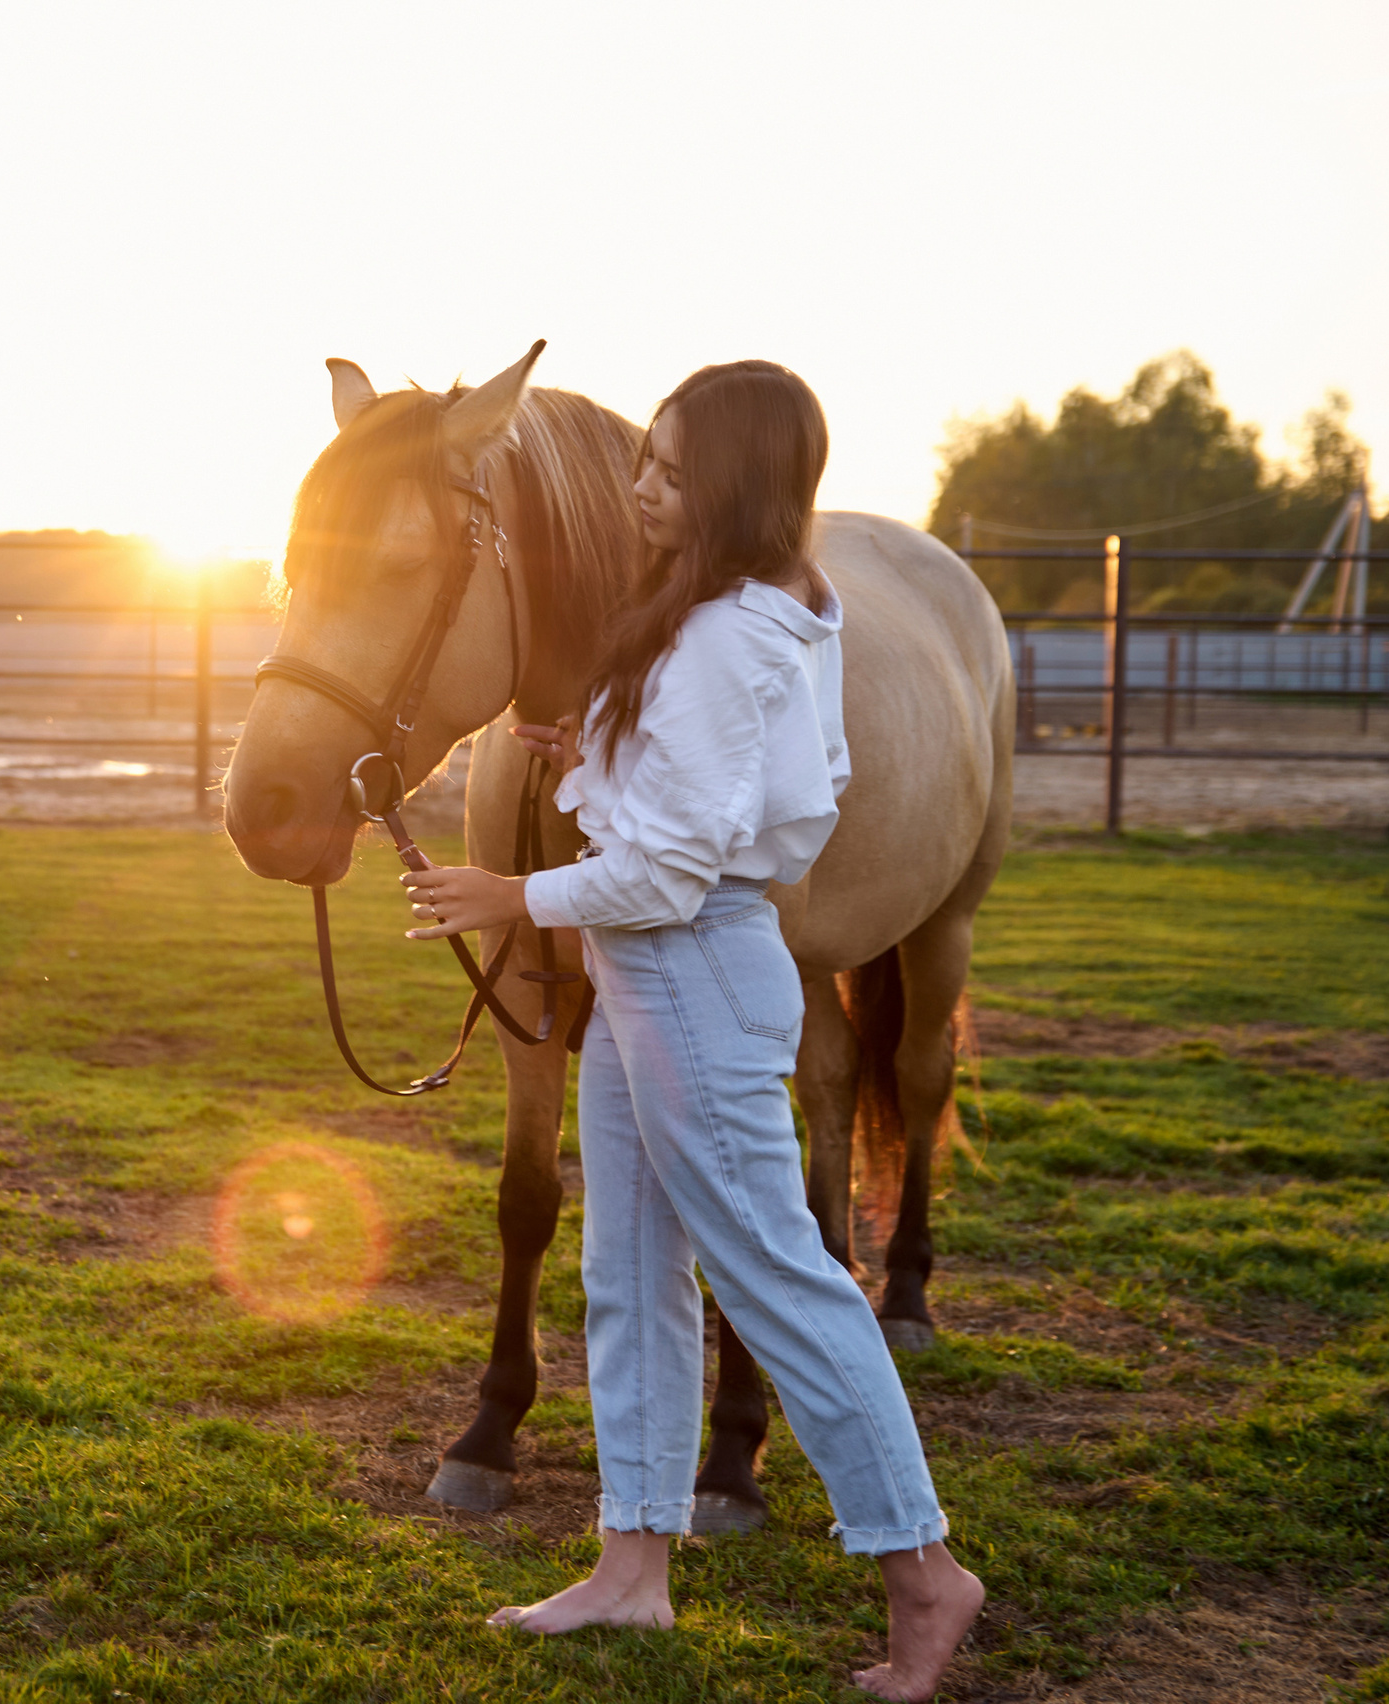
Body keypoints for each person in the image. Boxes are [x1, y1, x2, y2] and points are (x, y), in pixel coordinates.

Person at [397, 360, 984, 1702]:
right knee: (630, 1271)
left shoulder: (726, 639)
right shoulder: (750, 613)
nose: (641, 487)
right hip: (657, 974)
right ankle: (632, 1567)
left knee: (780, 1278)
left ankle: (925, 1573)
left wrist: (507, 892)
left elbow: (673, 869)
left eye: (667, 469)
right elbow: (754, 799)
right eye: (642, 461)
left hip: (692, 973)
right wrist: (589, 762)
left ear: (728, 485)